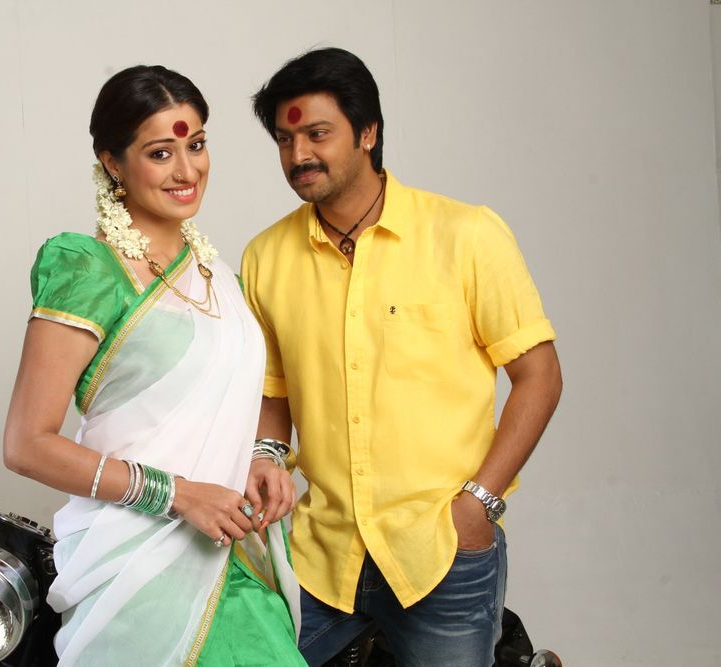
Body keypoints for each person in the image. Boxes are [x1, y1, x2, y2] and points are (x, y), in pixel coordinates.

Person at [241, 48, 563, 666]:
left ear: (368, 132)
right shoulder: (265, 257)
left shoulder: (466, 235)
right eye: (284, 139)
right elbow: (274, 391)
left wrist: (480, 505)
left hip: (439, 549)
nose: (298, 154)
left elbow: (539, 376)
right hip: (322, 552)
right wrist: (266, 456)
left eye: (317, 134)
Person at [2, 65, 305, 666]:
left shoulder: (219, 279)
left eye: (196, 145)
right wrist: (179, 495)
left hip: (230, 552)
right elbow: (26, 445)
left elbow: (218, 414)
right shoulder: (88, 270)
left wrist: (259, 458)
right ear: (113, 163)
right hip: (136, 571)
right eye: (160, 153)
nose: (187, 170)